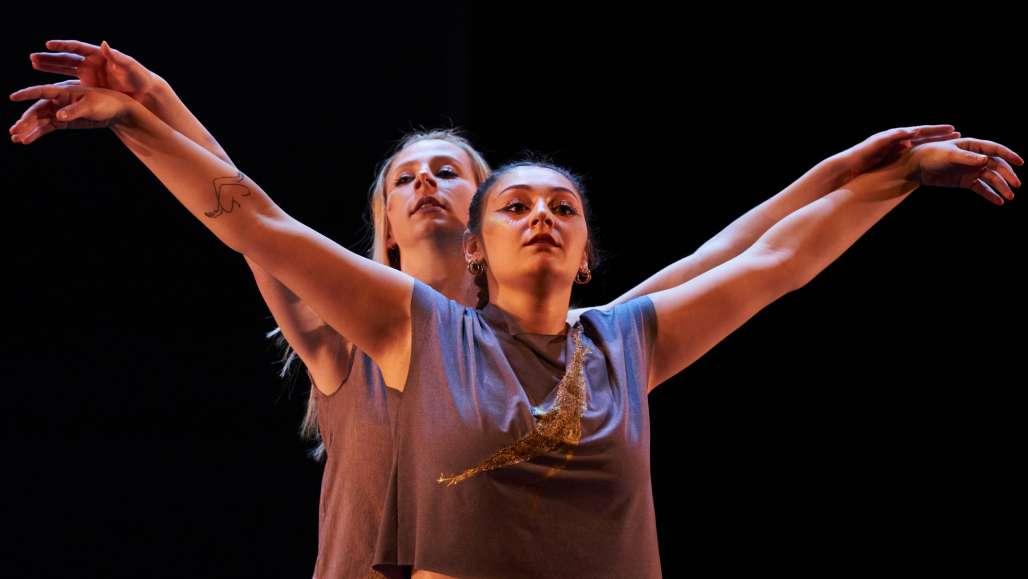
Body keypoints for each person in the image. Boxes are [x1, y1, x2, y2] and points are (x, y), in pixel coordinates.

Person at [10, 51, 1020, 577]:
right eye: (403, 177)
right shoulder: (356, 329)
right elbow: (246, 211)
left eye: (453, 173)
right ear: (383, 227)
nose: (426, 185)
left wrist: (855, 173)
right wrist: (151, 111)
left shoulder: (592, 339)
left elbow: (741, 257)